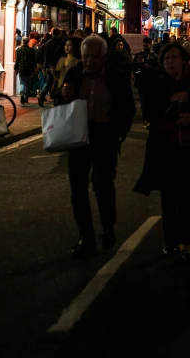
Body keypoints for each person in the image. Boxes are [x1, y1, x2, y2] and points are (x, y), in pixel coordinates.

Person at [133, 42, 190, 263]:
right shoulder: (157, 85)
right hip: (164, 148)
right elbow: (148, 112)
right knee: (168, 197)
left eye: (174, 57)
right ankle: (169, 242)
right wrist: (170, 100)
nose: (170, 61)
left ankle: (184, 242)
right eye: (166, 57)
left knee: (185, 196)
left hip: (189, 148)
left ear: (184, 61)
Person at [61, 34, 135, 258]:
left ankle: (107, 226)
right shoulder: (74, 73)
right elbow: (61, 102)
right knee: (78, 190)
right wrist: (63, 96)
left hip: (105, 136)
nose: (90, 61)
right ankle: (87, 238)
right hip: (78, 135)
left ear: (104, 56)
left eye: (94, 56)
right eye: (86, 56)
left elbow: (127, 108)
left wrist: (120, 133)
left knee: (102, 182)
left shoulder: (115, 77)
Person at [52, 37, 81, 104]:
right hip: (60, 89)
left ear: (74, 47)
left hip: (70, 91)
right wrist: (53, 71)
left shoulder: (77, 61)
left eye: (69, 45)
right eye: (66, 45)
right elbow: (58, 76)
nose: (67, 47)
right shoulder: (61, 59)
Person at [14, 36, 37, 104]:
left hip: (21, 69)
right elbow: (33, 60)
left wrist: (16, 68)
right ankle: (26, 98)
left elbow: (17, 60)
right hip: (29, 69)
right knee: (28, 84)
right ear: (28, 42)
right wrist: (35, 68)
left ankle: (21, 95)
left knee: (22, 82)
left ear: (22, 41)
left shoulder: (19, 50)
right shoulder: (31, 50)